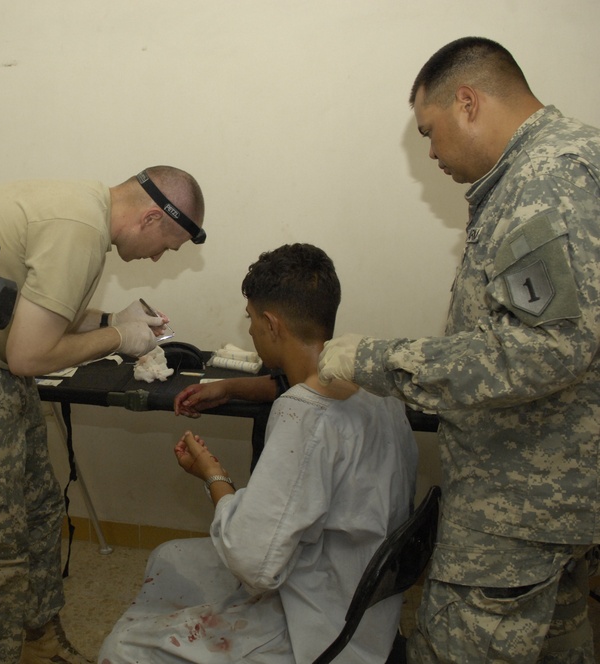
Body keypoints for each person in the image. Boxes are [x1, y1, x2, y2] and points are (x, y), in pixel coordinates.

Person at [317, 37, 600, 662]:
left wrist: (375, 358)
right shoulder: (567, 161)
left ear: (467, 101)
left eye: (429, 130)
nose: (430, 151)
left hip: (518, 511)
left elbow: (546, 349)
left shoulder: (544, 180)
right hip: (556, 499)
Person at [0, 166, 206, 664]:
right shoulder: (80, 228)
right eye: (166, 246)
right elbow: (29, 355)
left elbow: (33, 308)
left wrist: (109, 319)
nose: (158, 257)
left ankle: (38, 642)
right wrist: (120, 339)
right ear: (151, 217)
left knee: (39, 511)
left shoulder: (79, 207)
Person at [98, 243, 418, 663]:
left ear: (271, 324)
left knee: (122, 649)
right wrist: (230, 387)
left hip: (320, 628)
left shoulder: (304, 416)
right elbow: (297, 387)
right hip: (362, 598)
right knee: (168, 554)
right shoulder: (376, 385)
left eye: (250, 320)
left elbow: (254, 564)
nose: (249, 330)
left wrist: (214, 476)